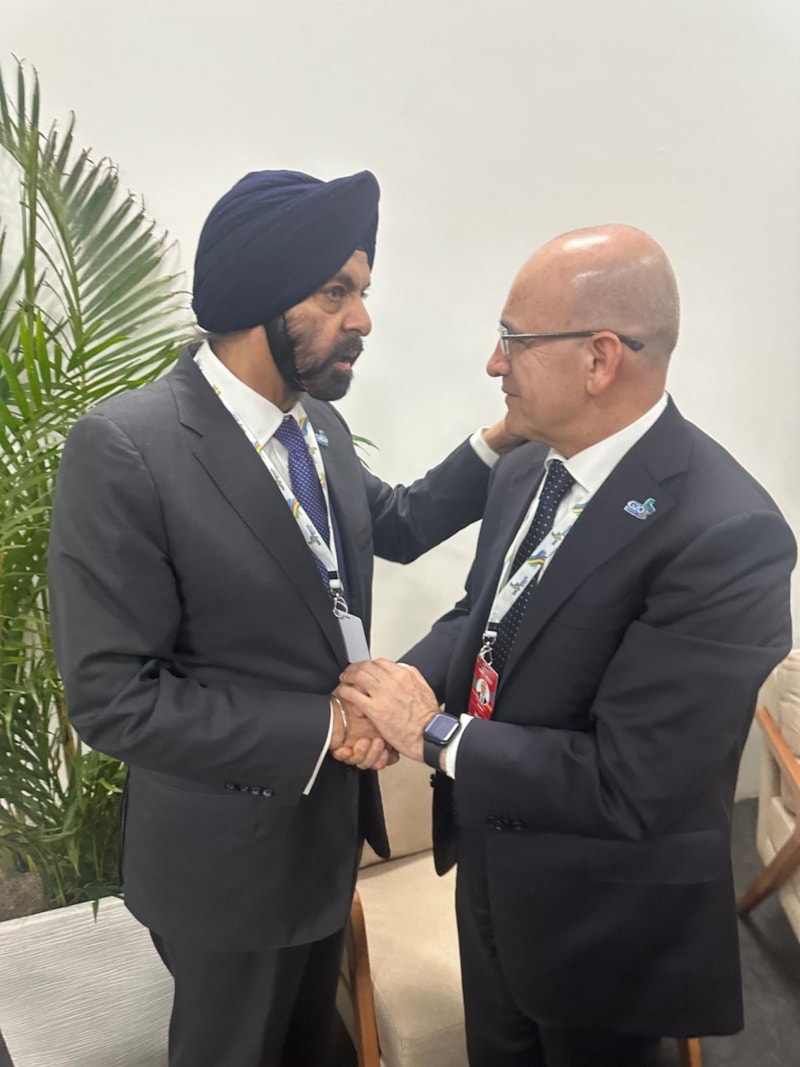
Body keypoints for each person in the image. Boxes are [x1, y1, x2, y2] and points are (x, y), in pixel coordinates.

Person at [47, 168, 520, 1067]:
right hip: (227, 867)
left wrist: (506, 437)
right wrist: (327, 726)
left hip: (325, 835)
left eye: (363, 291)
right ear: (261, 295)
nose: (363, 318)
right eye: (336, 291)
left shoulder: (316, 429)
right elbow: (115, 698)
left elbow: (400, 522)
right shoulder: (129, 448)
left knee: (313, 1044)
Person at [337, 224, 797, 1067]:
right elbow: (481, 619)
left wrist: (428, 733)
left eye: (513, 339)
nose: (494, 364)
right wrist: (399, 685)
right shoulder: (528, 468)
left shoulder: (726, 534)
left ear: (599, 358)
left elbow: (633, 782)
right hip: (491, 864)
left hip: (604, 919)